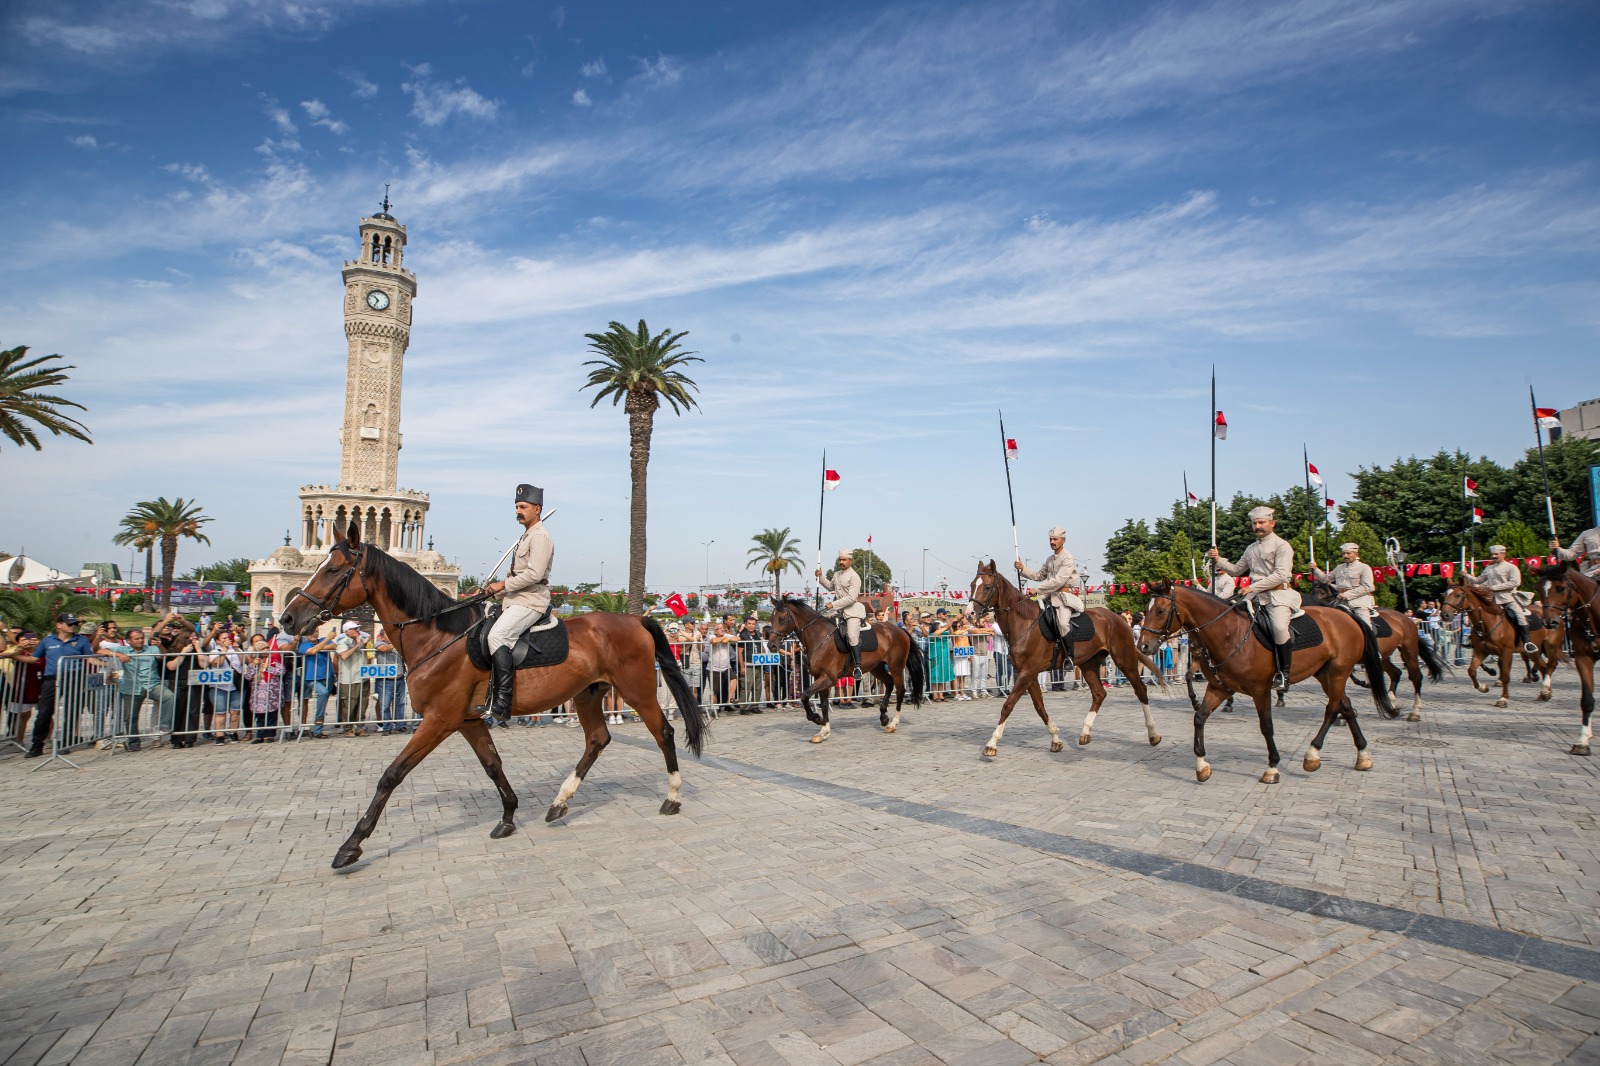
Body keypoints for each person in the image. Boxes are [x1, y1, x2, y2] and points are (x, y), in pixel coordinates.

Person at [1207, 505, 1300, 693]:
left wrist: (1252, 587)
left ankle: (1284, 673)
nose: (1257, 526)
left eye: (1261, 522)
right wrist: (1218, 559)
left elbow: (1281, 575)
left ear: (1272, 523)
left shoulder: (1282, 546)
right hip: (1252, 596)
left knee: (1280, 628)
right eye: (1254, 523)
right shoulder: (1250, 549)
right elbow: (1235, 570)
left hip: (1277, 595)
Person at [482, 483, 553, 724]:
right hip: (515, 600)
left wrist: (502, 586)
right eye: (516, 507)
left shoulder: (541, 537)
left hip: (531, 601)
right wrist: (497, 593)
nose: (518, 511)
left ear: (537, 508)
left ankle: (503, 700)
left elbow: (534, 575)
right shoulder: (526, 536)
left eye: (523, 506)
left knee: (497, 637)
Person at [24, 613, 94, 758]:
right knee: (44, 712)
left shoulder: (81, 640)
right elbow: (33, 658)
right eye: (69, 624)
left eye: (74, 623)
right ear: (59, 625)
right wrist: (12, 655)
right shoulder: (48, 640)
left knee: (71, 711)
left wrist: (108, 662)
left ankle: (66, 742)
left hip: (74, 677)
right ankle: (37, 745)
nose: (72, 626)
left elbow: (90, 658)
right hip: (51, 678)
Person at [1017, 526, 1084, 671]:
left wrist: (1038, 589)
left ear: (1063, 540)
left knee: (1063, 623)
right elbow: (1039, 575)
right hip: (1049, 596)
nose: (1052, 542)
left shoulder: (1068, 558)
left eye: (1055, 539)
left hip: (1063, 597)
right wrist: (1022, 569)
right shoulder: (1050, 559)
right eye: (1050, 539)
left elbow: (1059, 580)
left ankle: (1069, 657)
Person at [1465, 544, 1538, 654]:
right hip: (1491, 599)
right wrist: (1466, 575)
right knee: (1479, 614)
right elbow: (1478, 580)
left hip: (1507, 598)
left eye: (1496, 554)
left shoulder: (1511, 567)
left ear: (1503, 554)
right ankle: (1474, 639)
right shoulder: (1489, 568)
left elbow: (1515, 582)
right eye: (1492, 554)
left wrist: (1493, 588)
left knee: (1520, 616)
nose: (1493, 556)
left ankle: (1527, 642)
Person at [100, 625, 163, 750]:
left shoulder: (152, 649)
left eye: (141, 638)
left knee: (170, 697)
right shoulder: (123, 649)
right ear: (129, 641)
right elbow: (99, 651)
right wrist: (117, 654)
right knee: (131, 716)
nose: (140, 640)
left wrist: (160, 646)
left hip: (151, 684)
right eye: (136, 639)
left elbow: (162, 656)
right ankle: (134, 742)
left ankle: (164, 728)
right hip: (131, 687)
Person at [815, 548, 867, 680]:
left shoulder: (854, 577)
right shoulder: (837, 574)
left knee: (852, 636)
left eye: (844, 560)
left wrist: (833, 604)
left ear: (850, 561)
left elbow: (851, 597)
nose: (841, 562)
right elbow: (830, 586)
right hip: (840, 612)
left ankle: (858, 667)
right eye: (840, 559)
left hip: (853, 611)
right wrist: (820, 577)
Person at [1313, 542, 1378, 631]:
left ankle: (1371, 642)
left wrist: (1347, 594)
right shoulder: (1339, 568)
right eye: (1343, 553)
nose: (1345, 556)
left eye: (1348, 553)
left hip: (1359, 603)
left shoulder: (1364, 567)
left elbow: (1368, 587)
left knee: (1365, 626)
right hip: (1340, 602)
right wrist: (1315, 569)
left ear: (1356, 554)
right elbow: (1325, 579)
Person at [297, 623, 337, 738]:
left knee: (323, 703)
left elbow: (334, 646)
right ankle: (317, 729)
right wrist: (327, 640)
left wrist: (319, 646)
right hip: (312, 677)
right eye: (310, 632)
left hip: (327, 676)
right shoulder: (304, 645)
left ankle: (318, 728)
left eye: (315, 631)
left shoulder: (322, 640)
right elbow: (312, 651)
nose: (313, 634)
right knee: (323, 693)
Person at [334, 620, 371, 736]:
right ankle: (348, 728)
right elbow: (344, 655)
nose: (357, 630)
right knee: (349, 704)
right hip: (348, 678)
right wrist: (356, 645)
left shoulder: (361, 641)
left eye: (358, 628)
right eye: (354, 629)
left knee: (362, 703)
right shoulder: (342, 641)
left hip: (362, 676)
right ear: (347, 631)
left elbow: (369, 655)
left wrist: (364, 644)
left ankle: (360, 726)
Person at [372, 627, 407, 734]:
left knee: (400, 704)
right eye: (388, 634)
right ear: (382, 637)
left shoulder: (397, 645)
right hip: (386, 680)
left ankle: (400, 725)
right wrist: (397, 643)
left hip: (399, 678)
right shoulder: (379, 643)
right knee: (385, 705)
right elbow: (384, 649)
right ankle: (387, 727)